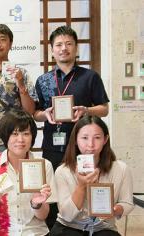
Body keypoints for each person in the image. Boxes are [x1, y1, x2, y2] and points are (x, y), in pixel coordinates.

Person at [34, 25, 109, 229]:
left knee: (81, 187)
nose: (63, 48)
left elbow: (104, 109)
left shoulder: (90, 77)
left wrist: (87, 111)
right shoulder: (43, 80)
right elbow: (35, 113)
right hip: (53, 145)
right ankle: (54, 230)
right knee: (53, 191)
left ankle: (84, 228)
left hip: (83, 147)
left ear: (76, 48)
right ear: (51, 50)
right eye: (58, 44)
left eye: (68, 44)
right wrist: (46, 114)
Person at [51, 115, 134, 235]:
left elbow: (127, 203)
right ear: (75, 140)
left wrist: (115, 210)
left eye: (97, 138)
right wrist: (81, 186)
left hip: (103, 227)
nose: (90, 144)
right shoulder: (63, 171)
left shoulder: (121, 168)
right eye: (84, 138)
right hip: (68, 226)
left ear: (105, 140)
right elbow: (67, 215)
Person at [0, 109, 56, 235]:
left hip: (34, 232)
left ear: (32, 137)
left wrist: (37, 203)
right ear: (5, 136)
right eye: (14, 134)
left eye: (26, 134)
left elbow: (43, 216)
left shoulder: (44, 166)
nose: (20, 139)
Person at [0, 24, 37, 162]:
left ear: (10, 44)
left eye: (2, 39)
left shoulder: (21, 73)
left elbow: (29, 111)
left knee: (14, 180)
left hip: (14, 139)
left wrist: (21, 84)